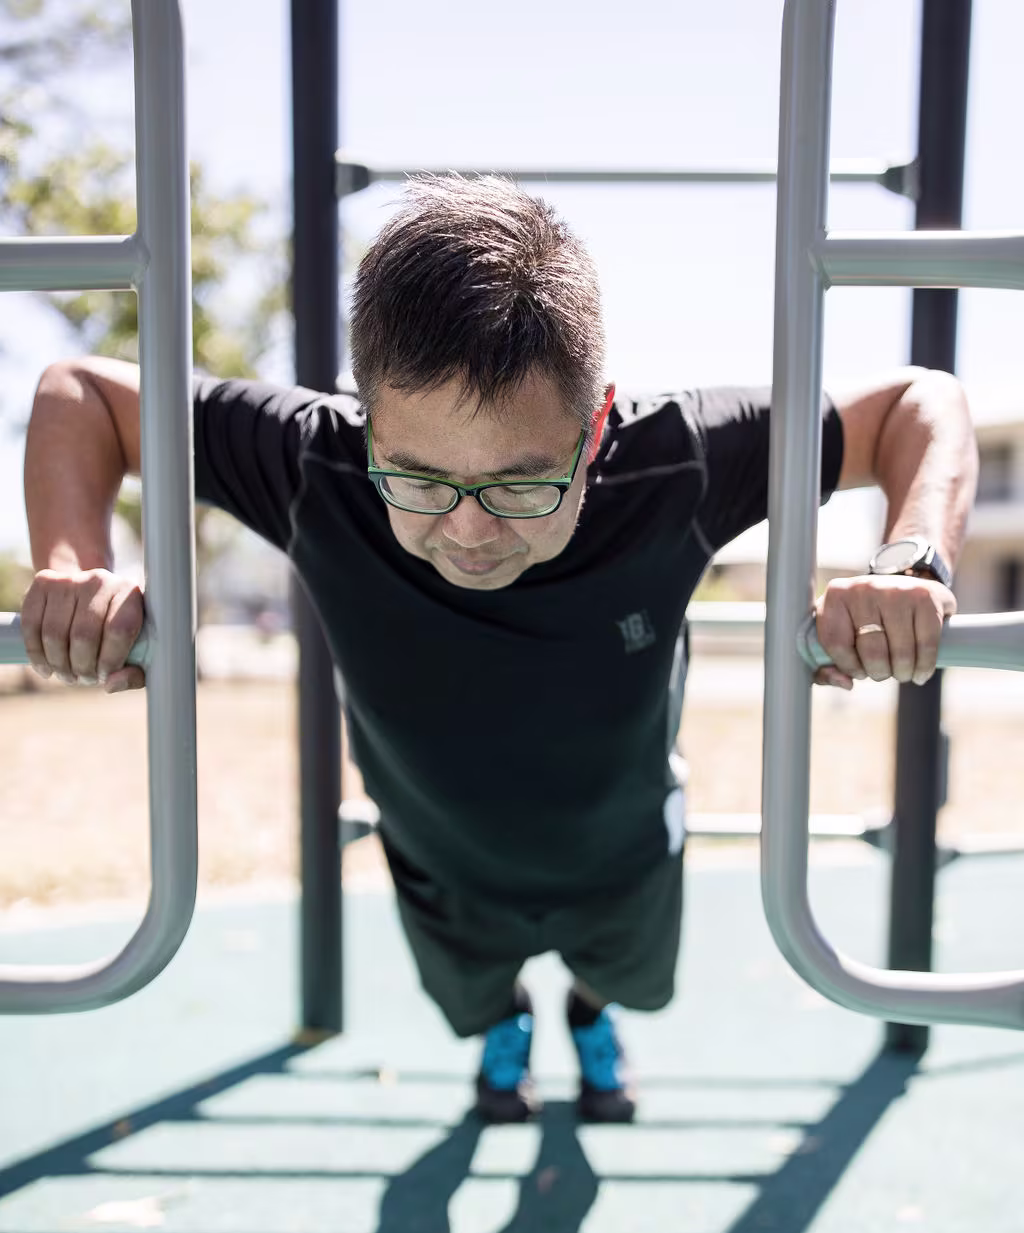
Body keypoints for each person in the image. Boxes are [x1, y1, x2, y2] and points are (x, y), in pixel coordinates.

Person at [18, 175, 977, 1125]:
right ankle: (506, 1027)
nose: (470, 531)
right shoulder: (317, 459)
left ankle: (591, 1017)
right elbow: (84, 394)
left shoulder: (676, 460)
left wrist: (909, 561)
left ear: (595, 424)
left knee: (626, 981)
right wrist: (74, 564)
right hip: (439, 854)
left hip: (624, 845)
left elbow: (916, 405)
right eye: (420, 479)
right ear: (369, 420)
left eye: (523, 486)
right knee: (473, 1002)